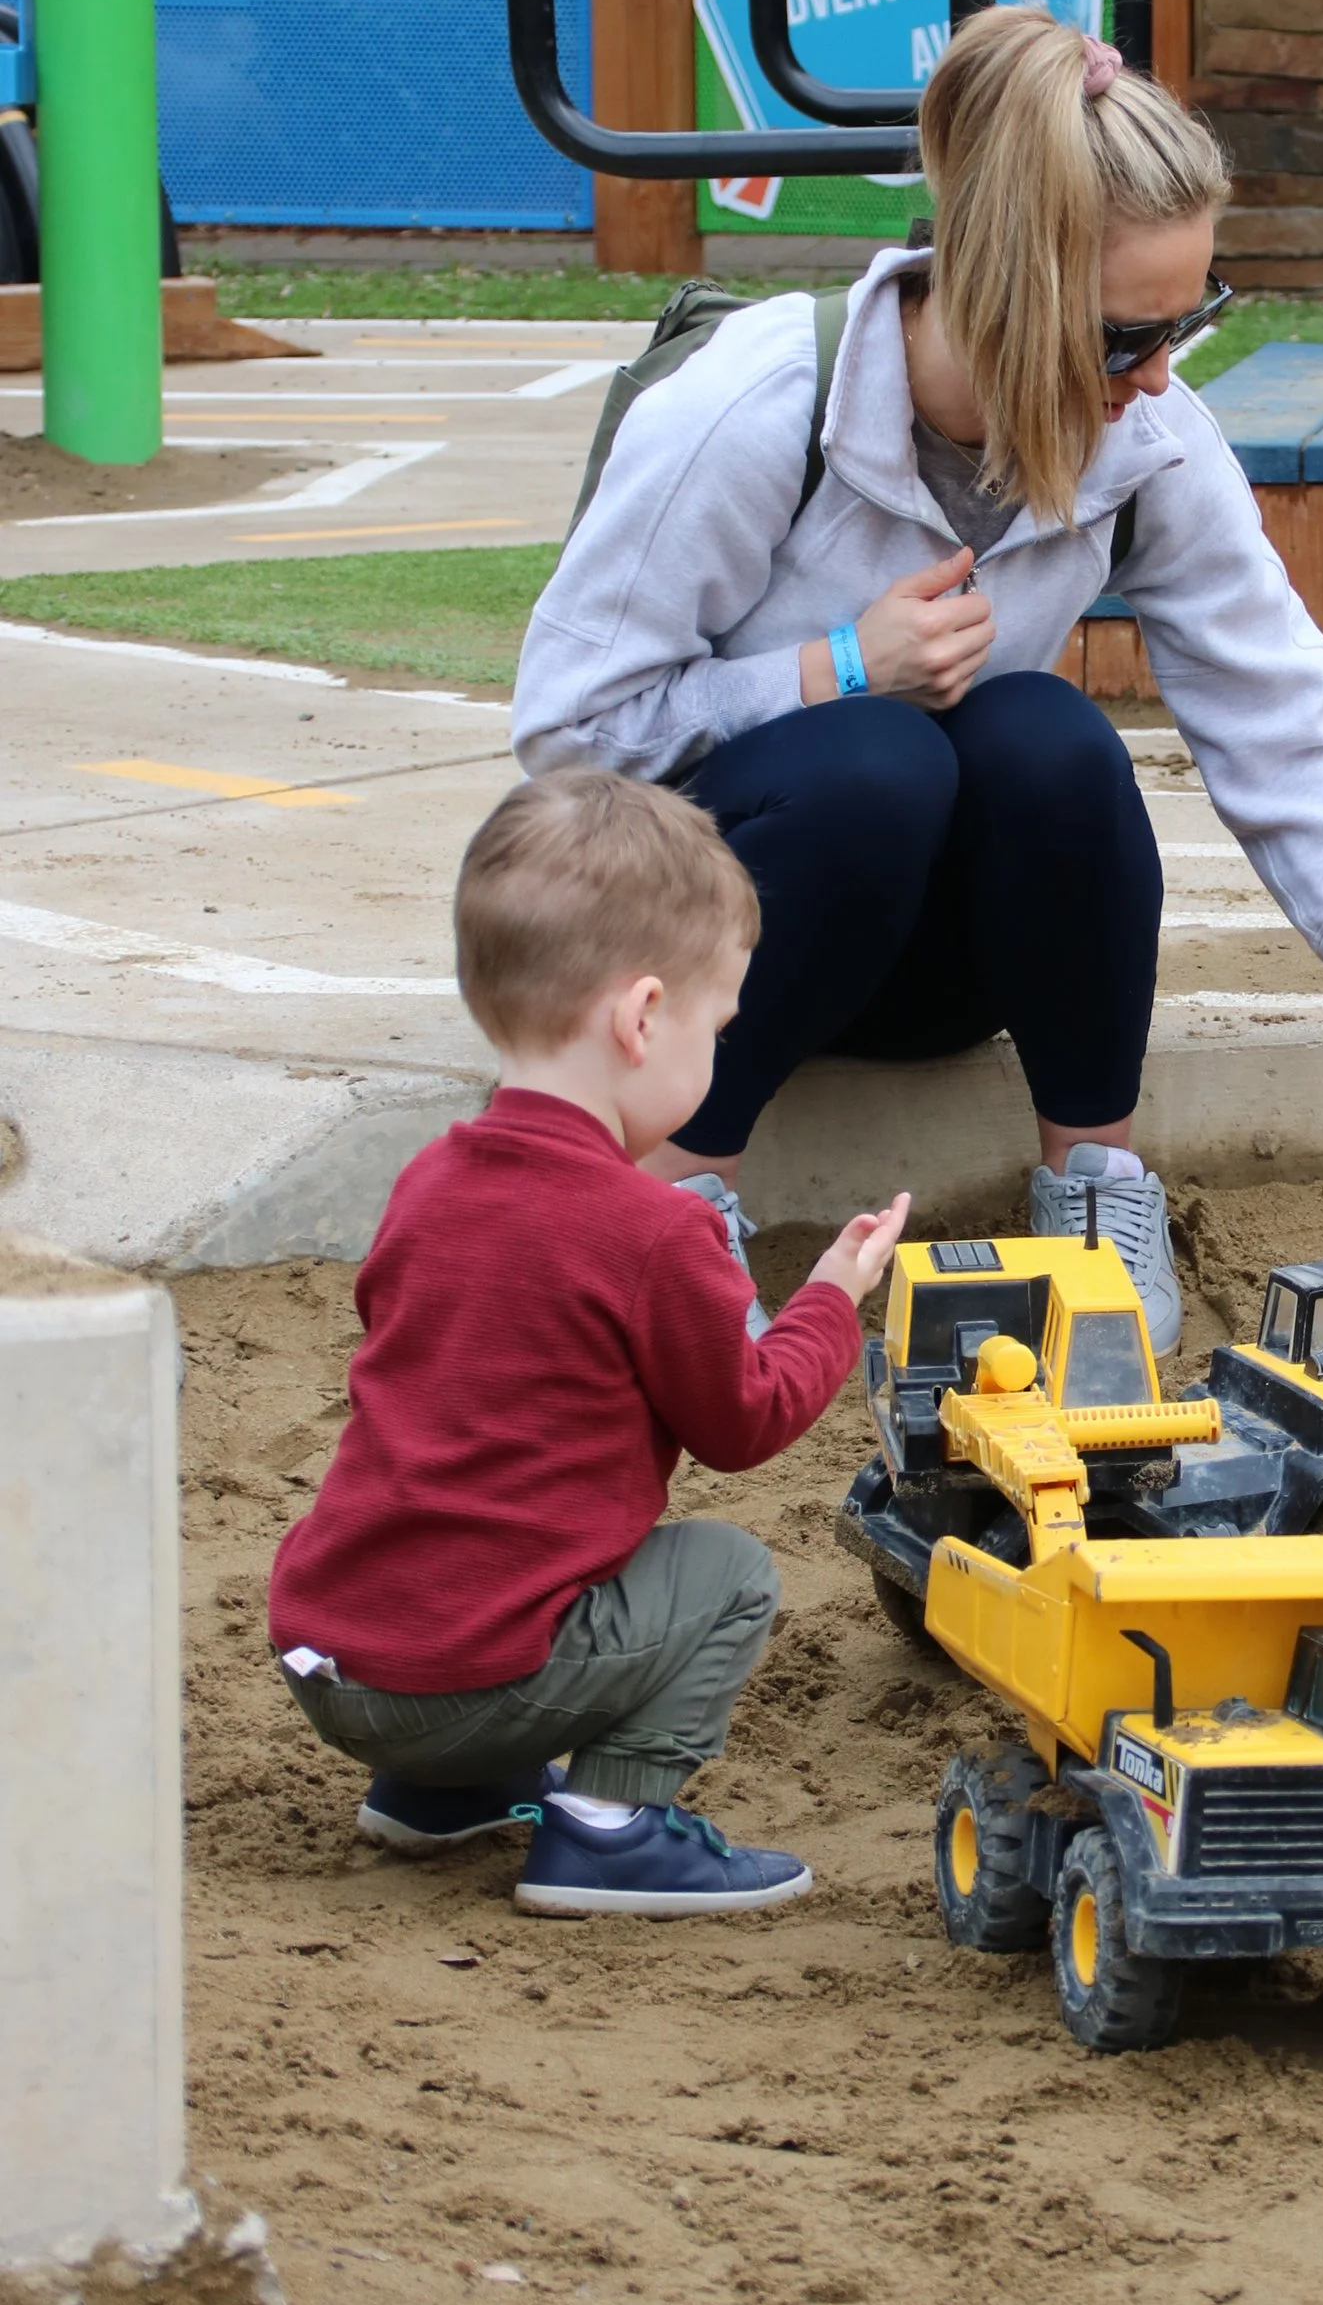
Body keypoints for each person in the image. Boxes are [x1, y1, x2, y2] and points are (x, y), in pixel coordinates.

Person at [511, 4, 1323, 1354]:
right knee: (875, 755)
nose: (1158, 376)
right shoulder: (758, 406)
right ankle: (674, 1199)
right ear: (1005, 295)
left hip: (930, 963)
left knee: (1049, 737)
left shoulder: (1149, 436)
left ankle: (1089, 1195)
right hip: (694, 953)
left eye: (1189, 321)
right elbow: (567, 735)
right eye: (1125, 338)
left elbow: (1280, 719)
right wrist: (832, 666)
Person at [269, 768, 908, 1917]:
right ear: (643, 1017)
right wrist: (828, 1293)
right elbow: (744, 1423)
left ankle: (437, 1793)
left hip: (341, 1658)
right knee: (724, 1576)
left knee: (495, 1525)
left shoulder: (428, 1178)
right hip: (462, 1675)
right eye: (718, 1026)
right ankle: (610, 1829)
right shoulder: (654, 1230)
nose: (716, 1051)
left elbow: (415, 1361)